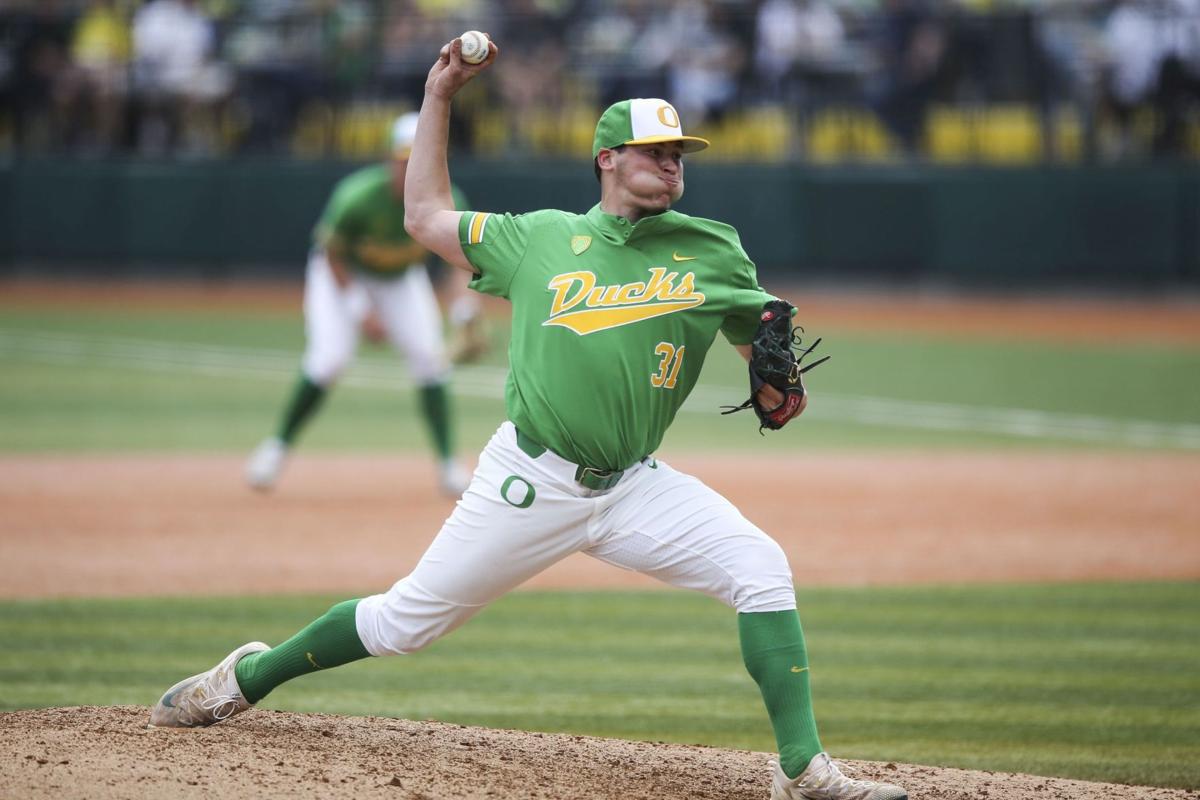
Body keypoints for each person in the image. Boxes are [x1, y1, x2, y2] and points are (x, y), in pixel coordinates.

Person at [152, 36, 907, 800]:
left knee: (760, 567)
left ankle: (801, 770)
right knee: (402, 625)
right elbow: (422, 216)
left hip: (634, 487)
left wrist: (780, 388)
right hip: (529, 481)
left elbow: (768, 366)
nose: (672, 163)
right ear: (607, 158)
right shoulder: (537, 238)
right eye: (654, 150)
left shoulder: (714, 251)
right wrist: (440, 96)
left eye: (680, 152)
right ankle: (244, 677)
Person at [244, 111, 484, 498]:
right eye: (406, 160)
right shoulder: (358, 197)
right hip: (343, 276)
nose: (413, 169)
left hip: (400, 279)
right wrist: (361, 310)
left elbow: (460, 264)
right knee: (329, 360)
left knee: (430, 360)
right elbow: (332, 254)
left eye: (423, 159)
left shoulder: (448, 199)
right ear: (391, 159)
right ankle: (275, 449)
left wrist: (465, 314)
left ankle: (447, 465)